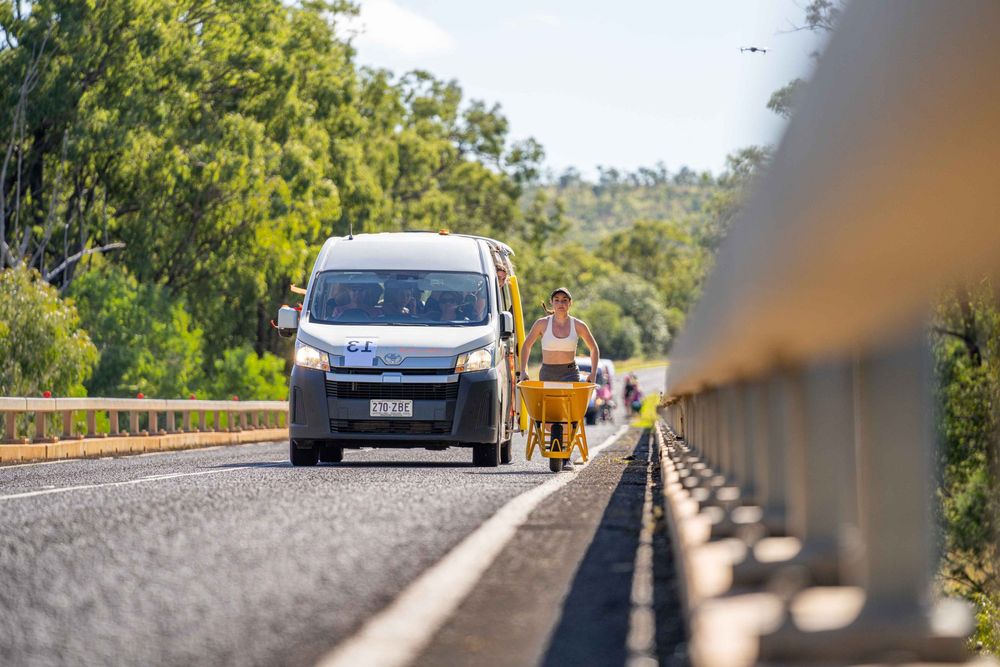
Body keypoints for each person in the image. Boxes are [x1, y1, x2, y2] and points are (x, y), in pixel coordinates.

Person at [519, 287, 600, 470]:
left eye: (565, 300)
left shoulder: (578, 325)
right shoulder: (542, 323)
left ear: (570, 303)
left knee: (570, 416)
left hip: (570, 373)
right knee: (547, 417)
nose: (561, 303)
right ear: (552, 303)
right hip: (547, 373)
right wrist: (523, 370)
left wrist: (593, 373)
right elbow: (526, 346)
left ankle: (566, 456)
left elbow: (594, 348)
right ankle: (558, 449)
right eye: (557, 300)